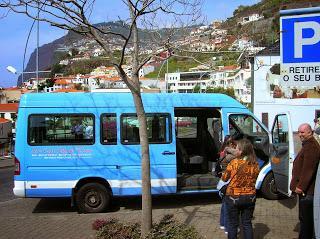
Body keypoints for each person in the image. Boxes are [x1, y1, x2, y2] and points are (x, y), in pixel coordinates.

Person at [222, 138, 260, 239]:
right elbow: (254, 178)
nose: (235, 151)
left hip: (234, 196)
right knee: (247, 223)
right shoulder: (255, 164)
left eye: (237, 149)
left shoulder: (234, 163)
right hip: (250, 196)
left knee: (233, 224)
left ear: (241, 151)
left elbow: (224, 178)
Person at [290, 123, 320, 239]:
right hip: (306, 191)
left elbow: (309, 169)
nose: (300, 134)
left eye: (302, 132)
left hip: (307, 192)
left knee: (306, 221)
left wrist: (301, 186)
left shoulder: (311, 146)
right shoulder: (307, 144)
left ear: (310, 132)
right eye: (299, 132)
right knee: (304, 219)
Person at [218, 136, 238, 235]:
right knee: (228, 205)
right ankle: (227, 227)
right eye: (234, 144)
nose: (236, 146)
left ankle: (222, 223)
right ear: (230, 144)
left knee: (224, 203)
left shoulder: (222, 152)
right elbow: (239, 154)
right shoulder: (229, 155)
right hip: (229, 180)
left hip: (223, 179)